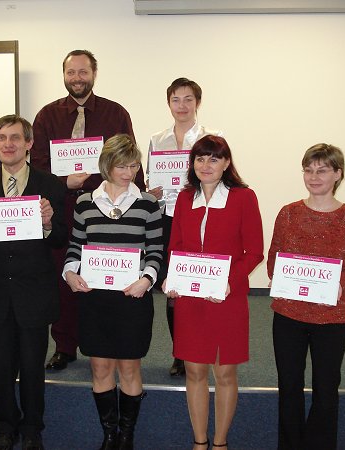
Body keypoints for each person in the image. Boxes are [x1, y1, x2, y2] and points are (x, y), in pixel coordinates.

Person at [32, 49, 146, 371]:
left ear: (94, 74)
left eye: (83, 72)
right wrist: (63, 182)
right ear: (64, 75)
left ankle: (108, 343)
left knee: (106, 272)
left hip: (106, 209)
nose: (77, 78)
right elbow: (37, 164)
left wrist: (141, 197)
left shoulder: (115, 113)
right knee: (64, 276)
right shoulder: (47, 116)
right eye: (71, 72)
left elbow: (129, 158)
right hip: (61, 208)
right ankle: (64, 346)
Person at [0, 115, 67, 450]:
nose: (9, 144)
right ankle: (5, 427)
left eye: (16, 138)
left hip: (33, 290)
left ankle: (33, 428)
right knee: (0, 366)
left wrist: (49, 223)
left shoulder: (50, 184)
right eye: (2, 138)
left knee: (33, 366)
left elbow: (60, 238)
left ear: (29, 143)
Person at [163, 135, 264, 449]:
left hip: (227, 297)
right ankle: (199, 441)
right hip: (191, 298)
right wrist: (172, 278)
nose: (206, 165)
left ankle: (219, 442)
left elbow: (254, 251)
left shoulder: (243, 197)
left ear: (226, 163)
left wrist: (228, 281)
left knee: (224, 373)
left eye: (214, 158)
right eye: (200, 158)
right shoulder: (184, 198)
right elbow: (176, 246)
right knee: (194, 371)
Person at [267, 143, 345, 450]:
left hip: (331, 317)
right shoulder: (288, 213)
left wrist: (341, 285)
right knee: (289, 387)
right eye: (308, 170)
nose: (313, 177)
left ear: (338, 174)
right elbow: (274, 259)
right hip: (288, 315)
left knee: (326, 390)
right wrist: (282, 277)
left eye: (322, 170)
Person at [64, 134, 163, 450]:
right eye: (122, 166)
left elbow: (156, 251)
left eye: (133, 166)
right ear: (107, 164)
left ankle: (126, 435)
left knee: (129, 368)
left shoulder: (148, 203)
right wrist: (69, 273)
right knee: (100, 367)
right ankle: (109, 434)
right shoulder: (85, 202)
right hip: (95, 299)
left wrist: (146, 280)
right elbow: (76, 246)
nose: (128, 172)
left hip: (132, 297)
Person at [148, 77, 222, 377]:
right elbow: (151, 178)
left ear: (198, 103)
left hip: (200, 217)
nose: (182, 106)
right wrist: (151, 192)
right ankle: (180, 353)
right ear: (169, 103)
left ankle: (204, 347)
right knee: (174, 287)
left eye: (188, 99)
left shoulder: (212, 137)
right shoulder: (157, 139)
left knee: (202, 283)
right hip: (167, 217)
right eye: (176, 100)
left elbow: (220, 178)